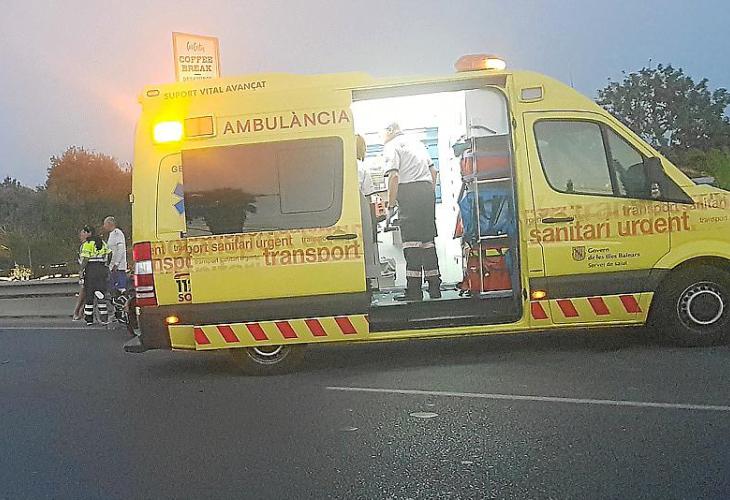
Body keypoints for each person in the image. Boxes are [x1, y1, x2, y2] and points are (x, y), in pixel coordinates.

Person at [382, 122, 441, 301]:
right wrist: (427, 194)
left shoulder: (391, 146)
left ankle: (414, 291)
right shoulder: (417, 143)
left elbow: (394, 177)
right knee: (428, 241)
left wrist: (391, 207)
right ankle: (434, 287)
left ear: (390, 131)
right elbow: (434, 172)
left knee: (412, 243)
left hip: (409, 193)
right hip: (427, 192)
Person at [79, 225, 111, 326]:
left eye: (84, 232)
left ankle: (89, 318)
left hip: (91, 270)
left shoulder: (87, 244)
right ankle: (104, 317)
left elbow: (85, 259)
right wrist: (107, 264)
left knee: (90, 294)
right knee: (100, 293)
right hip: (101, 269)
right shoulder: (102, 242)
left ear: (89, 233)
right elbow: (110, 253)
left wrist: (81, 270)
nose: (82, 234)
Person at [103, 216, 128, 294]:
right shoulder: (111, 234)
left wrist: (116, 263)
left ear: (110, 224)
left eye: (105, 224)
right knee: (113, 288)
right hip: (113, 267)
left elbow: (121, 249)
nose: (104, 226)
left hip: (118, 268)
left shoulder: (117, 233)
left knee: (120, 288)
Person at [72, 227, 90, 321]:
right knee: (84, 291)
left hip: (90, 271)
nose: (81, 235)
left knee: (88, 292)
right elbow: (83, 260)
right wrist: (81, 271)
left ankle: (81, 312)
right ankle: (77, 311)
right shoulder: (83, 246)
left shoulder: (89, 245)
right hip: (85, 271)